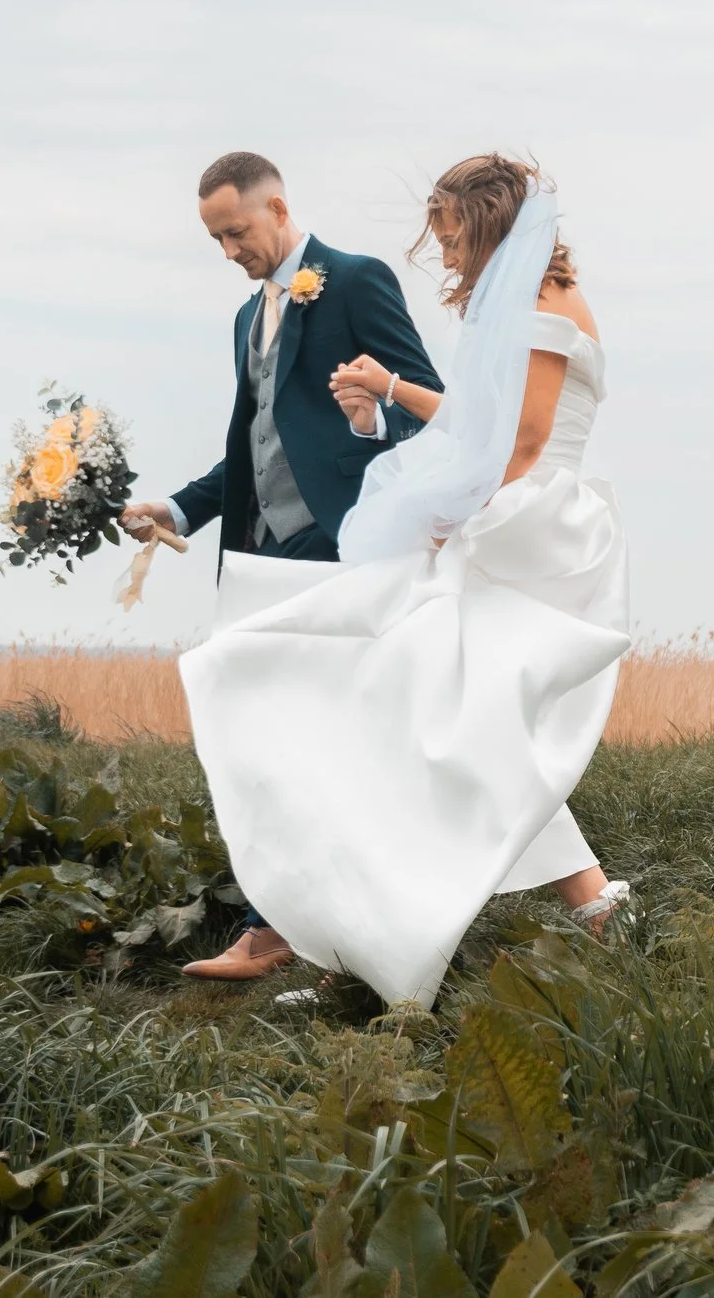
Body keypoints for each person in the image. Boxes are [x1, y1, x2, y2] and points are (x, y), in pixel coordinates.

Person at [174, 154, 629, 1007]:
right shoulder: (520, 304)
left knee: (441, 722)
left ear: (489, 220)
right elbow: (476, 420)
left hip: (530, 532)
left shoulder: (549, 304)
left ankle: (372, 944)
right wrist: (386, 396)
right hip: (503, 521)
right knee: (447, 726)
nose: (446, 255)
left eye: (453, 235)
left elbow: (524, 445)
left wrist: (449, 516)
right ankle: (570, 908)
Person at [123, 150, 443, 981]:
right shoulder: (245, 319)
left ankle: (283, 932)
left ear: (277, 207)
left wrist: (373, 421)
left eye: (236, 232)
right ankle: (295, 928)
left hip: (342, 546)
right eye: (216, 240)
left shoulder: (358, 280)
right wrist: (180, 509)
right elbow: (256, 446)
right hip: (263, 555)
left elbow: (434, 410)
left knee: (302, 736)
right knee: (272, 739)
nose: (230, 251)